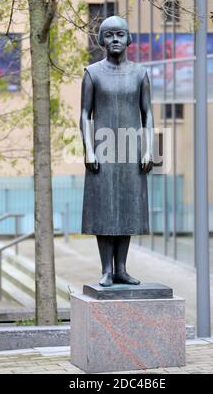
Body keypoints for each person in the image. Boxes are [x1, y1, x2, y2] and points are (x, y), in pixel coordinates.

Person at [80, 15, 154, 287]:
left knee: (127, 208)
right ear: (101, 40)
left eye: (119, 34)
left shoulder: (140, 74)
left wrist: (148, 151)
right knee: (104, 211)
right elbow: (85, 114)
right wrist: (89, 150)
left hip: (131, 151)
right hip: (103, 150)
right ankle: (106, 270)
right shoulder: (92, 73)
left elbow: (148, 114)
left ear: (128, 39)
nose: (114, 40)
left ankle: (121, 268)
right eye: (108, 35)